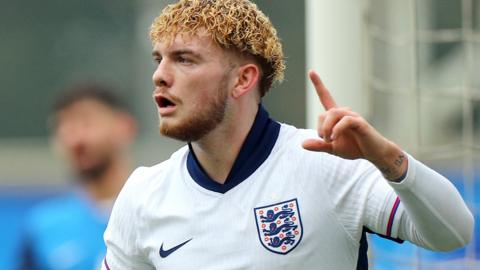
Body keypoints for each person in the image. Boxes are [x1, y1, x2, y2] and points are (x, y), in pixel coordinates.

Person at [102, 0, 474, 269]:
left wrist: (388, 161)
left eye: (184, 59)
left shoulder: (326, 164)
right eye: (159, 59)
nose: (160, 75)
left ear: (243, 79)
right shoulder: (144, 195)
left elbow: (453, 234)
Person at [19, 84, 137, 270]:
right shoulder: (42, 227)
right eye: (64, 126)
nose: (76, 139)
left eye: (86, 122)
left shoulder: (160, 211)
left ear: (125, 127)